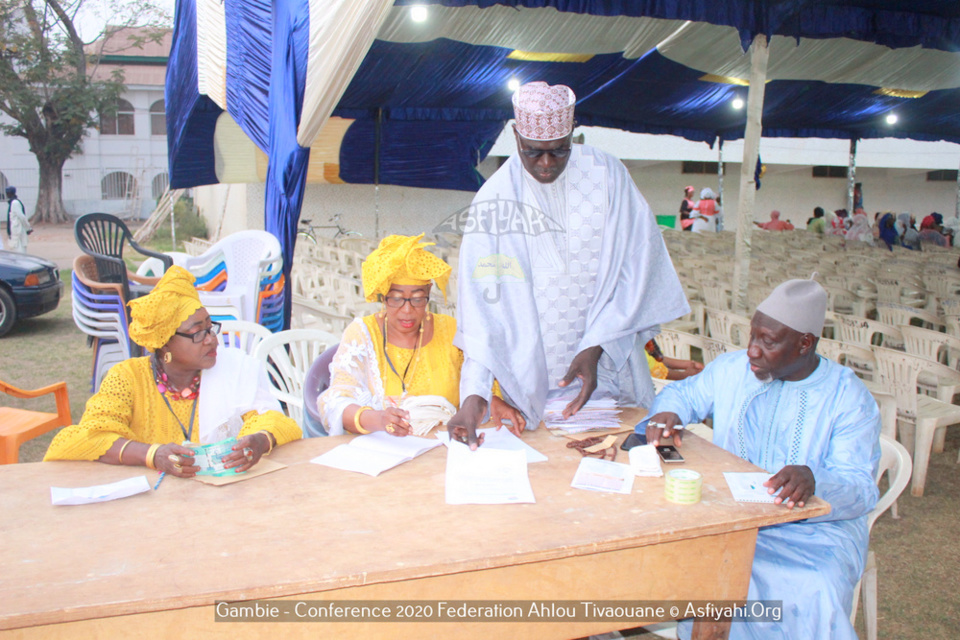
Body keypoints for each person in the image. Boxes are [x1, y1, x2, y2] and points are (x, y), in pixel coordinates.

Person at [449, 81, 689, 449]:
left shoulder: (608, 176)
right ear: (515, 136)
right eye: (533, 152)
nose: (546, 164)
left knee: (615, 460)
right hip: (528, 383)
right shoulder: (494, 199)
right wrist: (473, 395)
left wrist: (597, 345)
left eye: (559, 151)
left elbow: (639, 265)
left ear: (572, 135)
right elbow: (483, 310)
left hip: (608, 370)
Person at [646, 278, 880, 640]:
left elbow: (861, 488)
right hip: (733, 518)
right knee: (687, 556)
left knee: (813, 585)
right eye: (752, 336)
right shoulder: (732, 369)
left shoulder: (847, 396)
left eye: (768, 342)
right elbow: (683, 394)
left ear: (805, 343)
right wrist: (668, 412)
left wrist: (814, 481)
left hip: (814, 532)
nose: (752, 351)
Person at [45, 266, 302, 475]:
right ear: (164, 342)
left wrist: (259, 441)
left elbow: (275, 420)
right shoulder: (127, 378)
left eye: (210, 327)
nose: (211, 339)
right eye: (197, 332)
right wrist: (152, 455)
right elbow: (88, 437)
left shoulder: (233, 367)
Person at [318, 234, 524, 437]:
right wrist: (379, 419)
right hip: (382, 448)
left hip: (445, 445)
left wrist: (493, 402)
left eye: (418, 299)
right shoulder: (363, 334)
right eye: (396, 299)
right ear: (383, 296)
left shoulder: (451, 331)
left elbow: (479, 382)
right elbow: (336, 402)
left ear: (429, 292)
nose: (407, 310)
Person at [5, 186, 32, 253]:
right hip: (15, 231)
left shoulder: (15, 203)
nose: (7, 194)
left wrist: (28, 228)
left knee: (19, 251)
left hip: (18, 231)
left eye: (8, 193)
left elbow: (22, 217)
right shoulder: (12, 203)